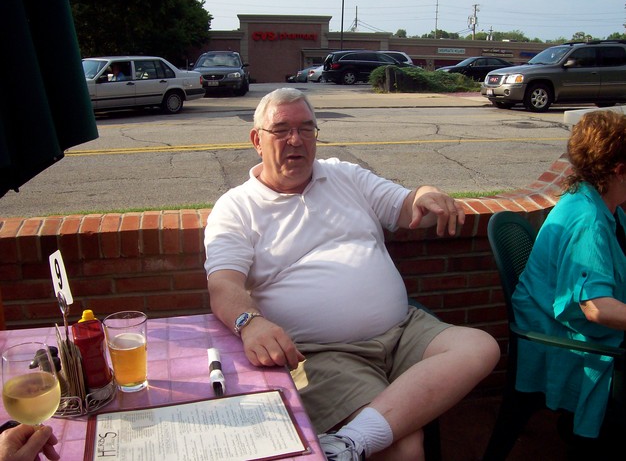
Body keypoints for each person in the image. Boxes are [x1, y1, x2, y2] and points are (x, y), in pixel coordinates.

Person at [203, 88, 500, 460]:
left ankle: (347, 444)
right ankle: (357, 440)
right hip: (324, 353)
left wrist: (425, 192)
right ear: (256, 140)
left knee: (479, 346)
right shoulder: (236, 207)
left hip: (403, 329)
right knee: (405, 450)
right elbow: (223, 284)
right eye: (281, 130)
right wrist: (250, 322)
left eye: (306, 128)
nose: (296, 139)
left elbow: (405, 204)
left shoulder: (345, 175)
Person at [512, 110, 626, 441]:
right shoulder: (587, 220)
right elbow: (597, 308)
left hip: (570, 326)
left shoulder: (597, 200)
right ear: (620, 171)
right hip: (568, 338)